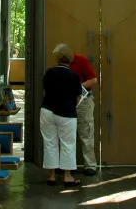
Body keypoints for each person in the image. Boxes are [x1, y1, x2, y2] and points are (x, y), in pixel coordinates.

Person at [41, 44, 83, 187]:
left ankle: (52, 176)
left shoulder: (49, 72)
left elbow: (45, 91)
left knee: (50, 143)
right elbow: (78, 96)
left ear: (57, 59)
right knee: (68, 144)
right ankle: (67, 176)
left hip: (47, 111)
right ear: (70, 60)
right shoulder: (74, 76)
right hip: (66, 113)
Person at [61, 44, 98, 176]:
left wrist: (76, 86)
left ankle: (90, 165)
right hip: (67, 102)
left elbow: (93, 79)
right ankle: (69, 165)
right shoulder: (60, 66)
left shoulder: (81, 61)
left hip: (84, 100)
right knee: (67, 135)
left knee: (86, 132)